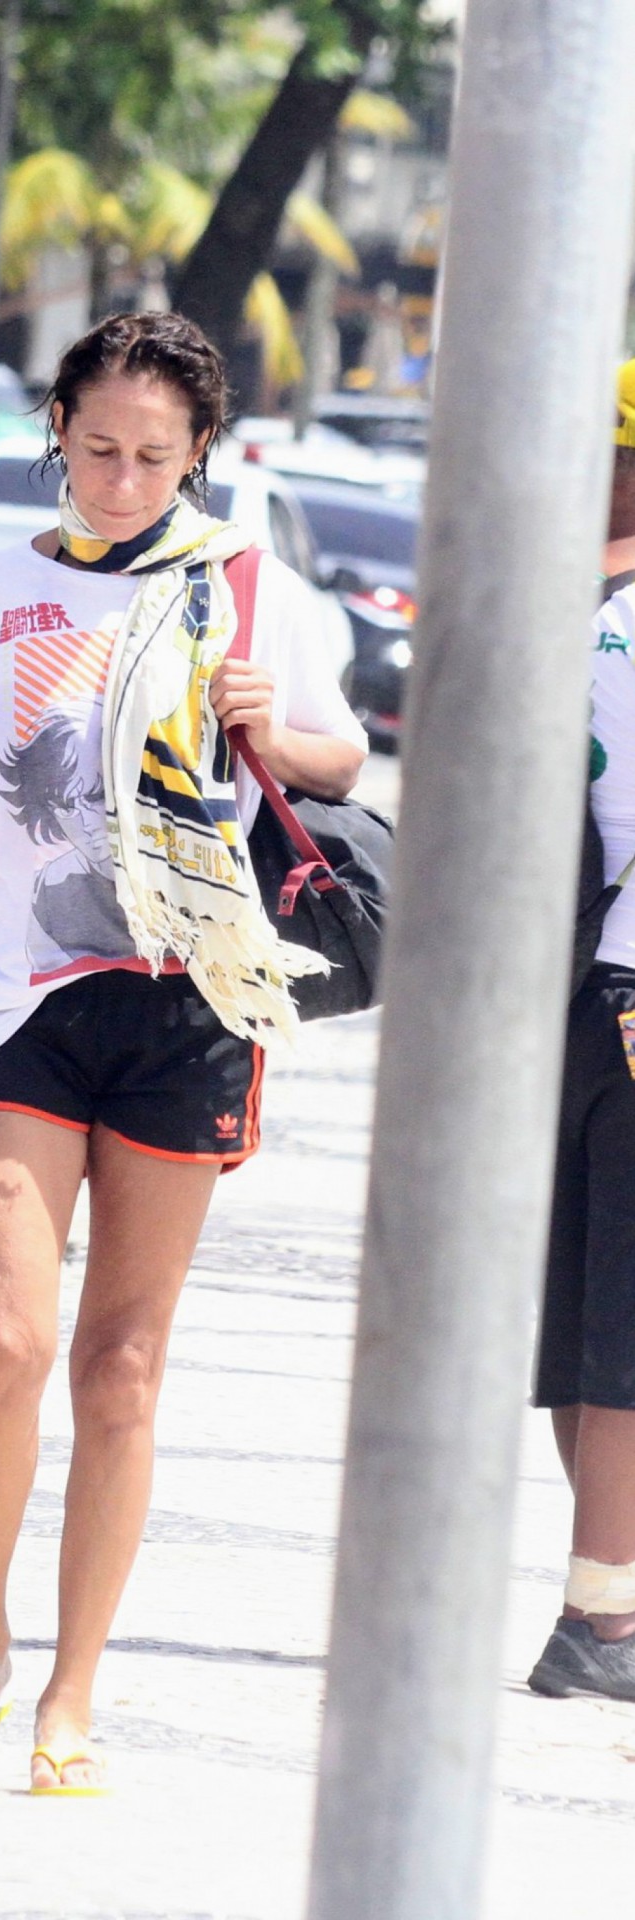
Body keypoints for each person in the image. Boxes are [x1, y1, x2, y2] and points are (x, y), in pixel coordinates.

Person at [0, 311, 367, 1791]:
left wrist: (280, 723)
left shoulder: (247, 588)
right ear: (54, 433)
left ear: (199, 450)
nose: (123, 481)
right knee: (7, 1341)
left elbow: (337, 761)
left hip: (187, 1000)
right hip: (16, 1001)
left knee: (121, 1364)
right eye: (95, 451)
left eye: (153, 456)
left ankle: (74, 1687)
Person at [528, 358, 635, 1698]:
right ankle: (599, 1619)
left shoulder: (554, 609)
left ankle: (603, 1586)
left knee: (589, 1303)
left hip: (570, 993)